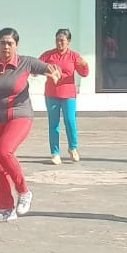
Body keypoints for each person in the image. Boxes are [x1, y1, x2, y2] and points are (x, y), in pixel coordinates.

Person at [0, 29, 60, 223]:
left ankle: (24, 191)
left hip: (21, 114)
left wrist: (55, 73)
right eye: (2, 43)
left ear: (16, 45)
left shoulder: (25, 62)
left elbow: (50, 68)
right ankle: (6, 209)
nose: (6, 47)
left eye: (10, 43)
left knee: (5, 152)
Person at [39, 28, 90, 164]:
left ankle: (73, 148)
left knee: (70, 121)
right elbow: (37, 67)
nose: (59, 43)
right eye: (57, 40)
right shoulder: (49, 55)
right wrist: (47, 72)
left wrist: (84, 65)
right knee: (54, 124)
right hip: (52, 94)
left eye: (62, 40)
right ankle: (55, 153)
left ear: (69, 42)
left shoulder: (74, 56)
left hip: (68, 94)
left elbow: (84, 73)